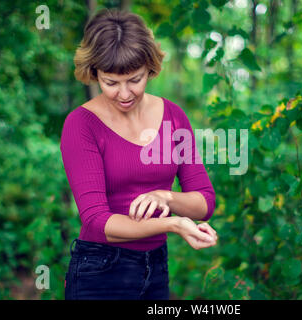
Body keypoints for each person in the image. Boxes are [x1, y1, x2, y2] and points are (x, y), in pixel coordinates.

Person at [59, 8, 218, 300]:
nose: (124, 93)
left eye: (135, 79)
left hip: (155, 268)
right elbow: (97, 220)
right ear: (95, 73)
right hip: (100, 272)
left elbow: (204, 203)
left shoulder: (173, 117)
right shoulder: (81, 125)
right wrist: (171, 222)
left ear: (150, 68)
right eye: (110, 82)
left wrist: (167, 197)